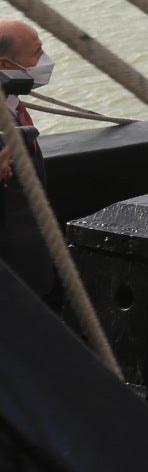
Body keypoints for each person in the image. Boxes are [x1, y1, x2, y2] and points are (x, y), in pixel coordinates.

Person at [0, 20, 57, 305]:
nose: (44, 62)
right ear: (4, 63)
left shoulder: (12, 104)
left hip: (35, 265)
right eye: (36, 54)